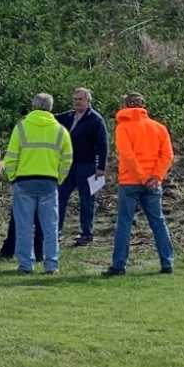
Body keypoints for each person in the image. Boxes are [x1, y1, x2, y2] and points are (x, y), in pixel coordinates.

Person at [0, 90, 70, 273]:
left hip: (24, 181)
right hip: (49, 182)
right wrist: (59, 178)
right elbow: (67, 158)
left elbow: (11, 156)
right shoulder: (60, 130)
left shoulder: (21, 127)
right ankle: (51, 265)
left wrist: (12, 177)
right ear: (51, 108)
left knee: (24, 227)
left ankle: (25, 265)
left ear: (33, 106)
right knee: (50, 227)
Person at [106, 95, 177, 275]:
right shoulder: (159, 128)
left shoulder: (123, 127)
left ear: (124, 105)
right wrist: (155, 176)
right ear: (143, 106)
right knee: (158, 222)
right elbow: (167, 155)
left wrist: (142, 177)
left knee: (124, 223)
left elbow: (127, 156)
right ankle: (167, 262)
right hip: (153, 183)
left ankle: (119, 265)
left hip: (130, 181)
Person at [64, 86, 109, 247]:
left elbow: (103, 145)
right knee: (60, 197)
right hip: (68, 166)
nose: (77, 102)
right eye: (75, 99)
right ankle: (56, 232)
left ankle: (86, 233)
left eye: (80, 99)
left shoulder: (95, 119)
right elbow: (51, 118)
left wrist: (100, 168)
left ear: (88, 101)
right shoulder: (68, 116)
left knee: (87, 201)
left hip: (88, 166)